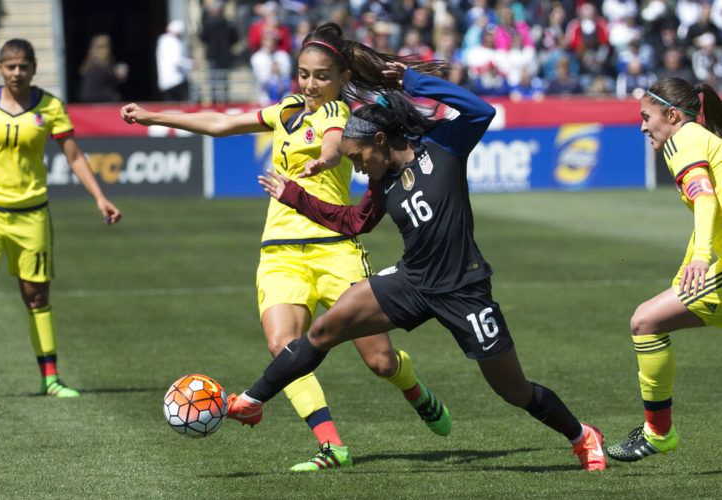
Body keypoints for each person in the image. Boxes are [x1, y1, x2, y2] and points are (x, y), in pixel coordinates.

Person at [229, 62, 608, 472]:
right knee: (325, 330)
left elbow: (481, 111)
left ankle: (582, 436)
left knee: (513, 390)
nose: (357, 169)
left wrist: (411, 80)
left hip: (464, 289)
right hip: (411, 281)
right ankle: (252, 401)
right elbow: (353, 224)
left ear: (379, 139)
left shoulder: (444, 145)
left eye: (357, 159)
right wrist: (296, 196)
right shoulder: (382, 181)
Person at [120, 23, 451, 472]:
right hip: (279, 251)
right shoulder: (284, 110)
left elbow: (334, 145)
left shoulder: (341, 114)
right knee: (283, 346)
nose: (310, 84)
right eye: (304, 74)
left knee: (379, 360)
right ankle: (332, 446)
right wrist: (154, 117)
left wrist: (326, 159)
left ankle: (415, 390)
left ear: (341, 77)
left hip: (335, 248)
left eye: (321, 76)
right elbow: (219, 123)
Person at [0, 39, 121, 399]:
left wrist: (100, 197)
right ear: (0, 69)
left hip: (31, 213)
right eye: (10, 66)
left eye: (23, 66)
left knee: (36, 296)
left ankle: (50, 379)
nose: (17, 73)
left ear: (34, 68)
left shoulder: (50, 107)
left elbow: (73, 156)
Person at [606, 78, 722, 462]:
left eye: (646, 117)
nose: (642, 126)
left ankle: (658, 433)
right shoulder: (701, 138)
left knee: (645, 322)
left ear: (671, 115)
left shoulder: (683, 139)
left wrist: (701, 257)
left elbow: (706, 198)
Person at [78, 34, 128, 103]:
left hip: (97, 100)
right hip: (97, 102)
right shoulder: (97, 64)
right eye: (102, 47)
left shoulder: (102, 63)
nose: (106, 49)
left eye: (107, 46)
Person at [156, 20, 192, 102]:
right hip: (176, 80)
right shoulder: (173, 42)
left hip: (166, 82)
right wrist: (191, 64)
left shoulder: (163, 41)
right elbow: (177, 61)